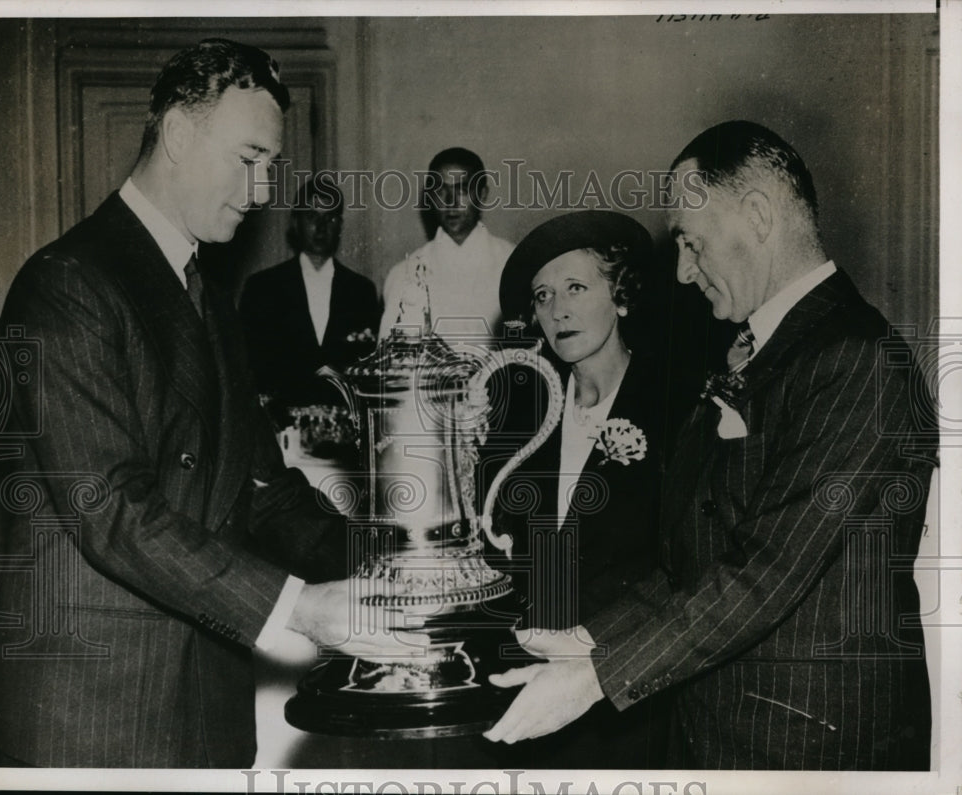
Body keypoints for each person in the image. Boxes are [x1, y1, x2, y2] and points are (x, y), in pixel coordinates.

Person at [0, 39, 422, 769]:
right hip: (97, 705)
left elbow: (266, 490)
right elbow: (110, 508)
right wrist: (298, 606)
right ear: (180, 134)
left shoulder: (210, 299)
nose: (260, 193)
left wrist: (399, 558)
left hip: (203, 699)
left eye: (270, 169)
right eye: (248, 159)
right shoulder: (67, 282)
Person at [483, 121, 935, 770]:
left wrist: (596, 677)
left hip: (807, 751)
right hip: (716, 729)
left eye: (692, 243)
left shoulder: (859, 359)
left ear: (756, 215)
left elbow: (766, 569)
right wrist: (586, 639)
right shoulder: (757, 350)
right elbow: (689, 558)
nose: (682, 270)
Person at [486, 211, 672, 768]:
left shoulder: (672, 405)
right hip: (532, 688)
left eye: (575, 288)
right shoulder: (524, 415)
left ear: (621, 295)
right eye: (542, 296)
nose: (557, 309)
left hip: (630, 692)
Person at [239, 175, 379, 407]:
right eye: (312, 216)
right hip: (281, 426)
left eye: (330, 218)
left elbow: (367, 371)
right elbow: (250, 367)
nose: (321, 227)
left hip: (344, 428)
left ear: (340, 225)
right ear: (296, 223)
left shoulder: (361, 290)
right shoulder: (263, 287)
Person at [378, 147, 514, 343]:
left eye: (462, 189)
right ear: (431, 197)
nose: (451, 202)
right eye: (441, 190)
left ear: (482, 194)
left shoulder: (513, 263)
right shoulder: (404, 273)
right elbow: (390, 361)